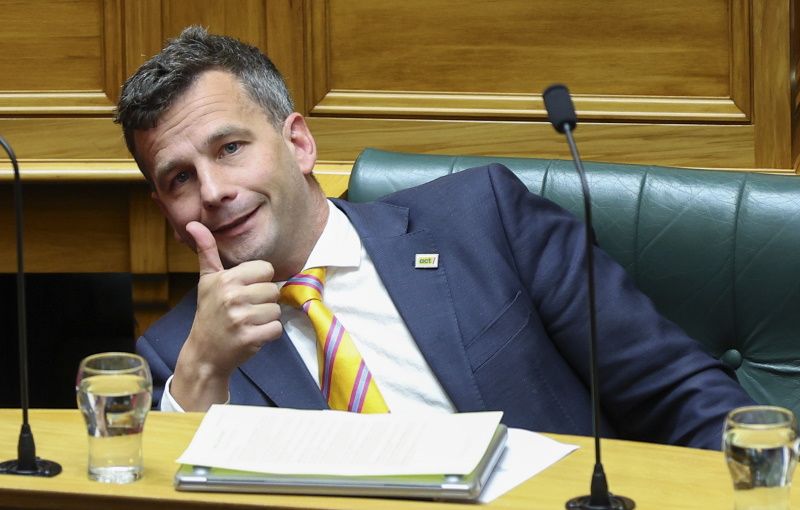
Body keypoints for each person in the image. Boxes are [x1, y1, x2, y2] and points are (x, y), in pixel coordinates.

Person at [115, 26, 756, 450]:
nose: (215, 190)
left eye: (230, 148)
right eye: (179, 179)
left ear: (299, 143)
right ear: (166, 210)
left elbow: (673, 389)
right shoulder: (174, 360)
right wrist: (201, 374)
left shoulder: (482, 220)